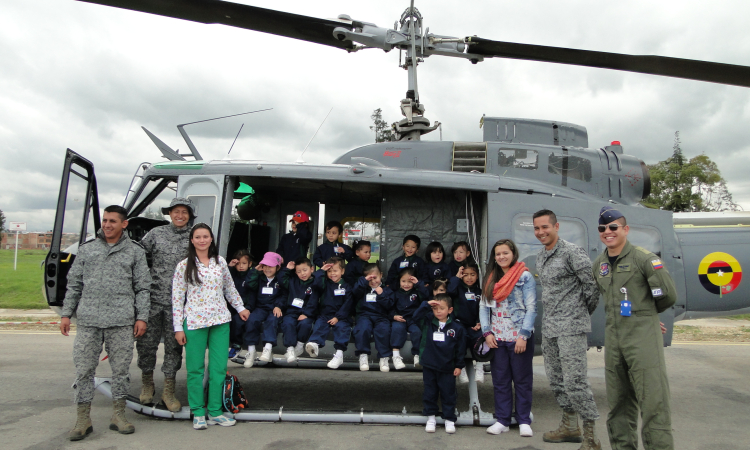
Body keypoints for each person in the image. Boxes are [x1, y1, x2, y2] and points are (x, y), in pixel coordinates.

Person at [59, 205, 151, 441]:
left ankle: (118, 416)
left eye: (112, 221)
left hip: (121, 321)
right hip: (89, 320)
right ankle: (83, 419)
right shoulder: (87, 249)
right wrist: (66, 314)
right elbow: (74, 285)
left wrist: (142, 317)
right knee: (84, 370)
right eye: (105, 220)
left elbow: (142, 288)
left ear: (124, 224)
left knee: (120, 371)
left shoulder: (135, 252)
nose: (107, 225)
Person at [592, 206, 677, 450]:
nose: (607, 232)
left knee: (653, 401)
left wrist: (646, 317)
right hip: (615, 340)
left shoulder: (645, 260)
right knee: (619, 402)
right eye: (602, 228)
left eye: (613, 227)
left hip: (642, 340)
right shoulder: (599, 265)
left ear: (625, 229)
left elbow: (667, 296)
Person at [533, 209, 602, 450]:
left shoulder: (573, 253)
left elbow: (592, 289)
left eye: (545, 227)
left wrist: (578, 315)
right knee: (556, 379)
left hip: (571, 327)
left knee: (575, 381)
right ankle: (570, 426)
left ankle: (591, 437)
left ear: (556, 226)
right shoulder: (541, 256)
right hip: (551, 327)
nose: (541, 232)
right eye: (536, 228)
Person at [172, 223, 249, 430]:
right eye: (198, 237)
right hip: (195, 322)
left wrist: (240, 307)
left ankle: (215, 411)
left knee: (218, 368)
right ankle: (198, 411)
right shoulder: (184, 266)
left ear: (211, 239)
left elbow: (229, 288)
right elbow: (177, 298)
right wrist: (178, 327)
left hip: (220, 321)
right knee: (195, 369)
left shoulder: (220, 262)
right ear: (192, 240)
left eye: (206, 236)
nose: (202, 240)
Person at [137, 197, 195, 411]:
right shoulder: (156, 234)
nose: (180, 216)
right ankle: (147, 384)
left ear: (189, 215)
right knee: (146, 344)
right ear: (170, 214)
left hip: (179, 302)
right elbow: (138, 256)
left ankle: (168, 391)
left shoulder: (194, 237)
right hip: (152, 299)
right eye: (176, 211)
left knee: (174, 347)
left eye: (184, 212)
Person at [480, 239, 537, 437]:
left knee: (522, 380)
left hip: (519, 337)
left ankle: (523, 421)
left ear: (513, 254)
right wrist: (487, 333)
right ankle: (502, 420)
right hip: (497, 338)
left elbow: (531, 308)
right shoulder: (490, 278)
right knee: (500, 381)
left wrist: (524, 335)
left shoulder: (524, 276)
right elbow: (483, 307)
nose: (501, 257)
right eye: (498, 254)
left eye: (505, 253)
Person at [413, 294, 466, 435]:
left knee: (448, 394)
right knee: (430, 393)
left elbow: (460, 349)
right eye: (435, 308)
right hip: (430, 365)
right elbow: (415, 317)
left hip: (447, 367)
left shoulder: (457, 328)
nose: (438, 311)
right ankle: (431, 418)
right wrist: (426, 304)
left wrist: (459, 366)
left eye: (442, 308)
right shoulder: (428, 322)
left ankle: (449, 418)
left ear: (450, 310)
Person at [305, 257, 355, 369]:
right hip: (325, 314)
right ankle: (315, 345)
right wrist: (322, 270)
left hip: (341, 317)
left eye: (335, 270)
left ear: (342, 271)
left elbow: (348, 304)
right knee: (319, 325)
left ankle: (339, 353)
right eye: (329, 271)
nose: (332, 273)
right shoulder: (325, 284)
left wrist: (338, 317)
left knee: (342, 328)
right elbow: (316, 282)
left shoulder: (347, 287)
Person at [241, 252, 287, 368]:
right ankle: (251, 351)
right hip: (260, 307)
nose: (267, 269)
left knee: (272, 321)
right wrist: (255, 271)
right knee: (252, 321)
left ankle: (268, 348)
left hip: (274, 308)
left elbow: (285, 294)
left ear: (277, 267)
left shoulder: (280, 279)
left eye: (271, 266)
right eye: (265, 266)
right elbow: (249, 284)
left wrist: (279, 306)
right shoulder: (259, 277)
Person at [352, 263, 395, 372]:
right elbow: (355, 291)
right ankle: (363, 355)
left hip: (381, 316)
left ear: (381, 275)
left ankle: (384, 357)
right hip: (364, 315)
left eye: (375, 277)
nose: (373, 281)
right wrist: (364, 281)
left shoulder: (387, 290)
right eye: (369, 279)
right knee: (362, 329)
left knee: (383, 330)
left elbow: (390, 305)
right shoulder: (363, 289)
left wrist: (382, 295)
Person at [448, 261, 484, 383]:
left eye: (472, 274)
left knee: (479, 338)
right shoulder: (457, 289)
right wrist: (457, 277)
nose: (469, 277)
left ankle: (479, 366)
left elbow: (483, 309)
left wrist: (479, 322)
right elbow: (449, 291)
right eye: (466, 274)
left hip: (474, 324)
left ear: (477, 276)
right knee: (461, 338)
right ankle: (461, 367)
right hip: (459, 323)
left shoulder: (479, 292)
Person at [279, 257, 319, 362]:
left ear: (312, 269)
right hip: (292, 311)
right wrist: (287, 269)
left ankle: (300, 346)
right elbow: (282, 281)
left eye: (305, 270)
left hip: (307, 313)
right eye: (299, 271)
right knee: (288, 323)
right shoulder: (292, 281)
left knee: (305, 324)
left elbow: (314, 300)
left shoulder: (315, 283)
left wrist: (307, 313)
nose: (302, 274)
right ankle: (290, 349)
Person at [389, 268, 430, 370]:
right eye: (403, 281)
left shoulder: (417, 292)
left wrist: (418, 284)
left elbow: (426, 297)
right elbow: (389, 307)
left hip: (413, 319)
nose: (406, 284)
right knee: (397, 329)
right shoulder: (395, 293)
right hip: (400, 318)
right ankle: (396, 355)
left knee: (417, 332)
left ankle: (417, 355)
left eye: (409, 281)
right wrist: (393, 316)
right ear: (399, 281)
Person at [227, 249, 255, 358]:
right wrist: (230, 266)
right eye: (238, 264)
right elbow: (224, 278)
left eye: (244, 263)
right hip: (231, 305)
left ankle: (236, 345)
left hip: (244, 307)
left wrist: (248, 308)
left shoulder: (251, 276)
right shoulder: (233, 274)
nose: (241, 266)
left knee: (237, 321)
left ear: (250, 264)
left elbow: (252, 294)